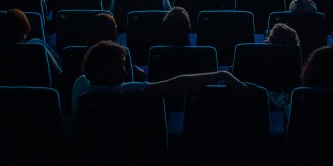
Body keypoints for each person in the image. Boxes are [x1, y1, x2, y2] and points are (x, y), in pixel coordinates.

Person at [70, 40, 244, 115]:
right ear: (105, 70)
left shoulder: (80, 85)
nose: (124, 72)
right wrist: (222, 74)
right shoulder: (127, 91)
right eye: (119, 67)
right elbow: (179, 83)